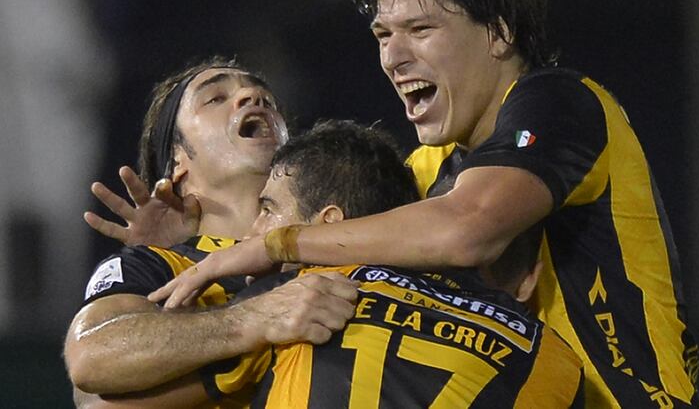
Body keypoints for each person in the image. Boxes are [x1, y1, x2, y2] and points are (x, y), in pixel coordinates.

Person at [153, 0, 699, 408]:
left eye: (420, 29)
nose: (394, 58)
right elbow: (317, 226)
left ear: (498, 32)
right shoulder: (425, 171)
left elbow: (468, 230)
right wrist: (188, 241)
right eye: (384, 35)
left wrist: (278, 246)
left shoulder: (562, 105)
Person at [74, 120, 585, 408]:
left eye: (268, 210)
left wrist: (249, 318)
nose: (256, 232)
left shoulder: (303, 303)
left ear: (327, 222)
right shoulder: (548, 353)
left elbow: (98, 396)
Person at [65, 57, 358, 407]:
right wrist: (257, 319)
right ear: (177, 163)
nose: (254, 96)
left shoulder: (349, 234)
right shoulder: (156, 266)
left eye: (267, 97)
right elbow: (93, 364)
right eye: (215, 98)